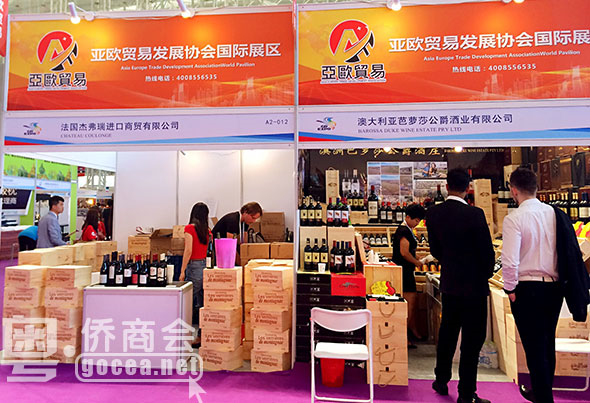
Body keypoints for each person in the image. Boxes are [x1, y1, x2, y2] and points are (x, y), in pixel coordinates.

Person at [426, 168, 495, 403]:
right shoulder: (475, 214)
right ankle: (466, 393)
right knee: (471, 342)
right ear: (468, 188)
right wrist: (485, 274)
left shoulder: (434, 213)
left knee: (447, 333)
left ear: (447, 186)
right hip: (474, 286)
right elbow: (487, 252)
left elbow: (435, 250)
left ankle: (441, 379)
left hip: (450, 283)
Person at [502, 167, 565, 403]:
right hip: (554, 287)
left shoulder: (514, 218)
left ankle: (543, 397)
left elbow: (510, 261)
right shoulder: (554, 214)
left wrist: (510, 288)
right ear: (537, 188)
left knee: (534, 346)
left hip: (527, 288)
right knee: (547, 342)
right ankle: (542, 391)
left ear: (514, 190)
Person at [391, 203, 426, 348]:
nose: (417, 223)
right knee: (408, 303)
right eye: (416, 220)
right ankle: (403, 336)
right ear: (408, 217)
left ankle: (412, 331)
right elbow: (404, 253)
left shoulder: (408, 230)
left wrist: (418, 257)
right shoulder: (404, 231)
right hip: (404, 271)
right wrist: (417, 262)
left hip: (406, 270)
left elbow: (409, 251)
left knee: (412, 302)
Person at [179, 202, 211, 344]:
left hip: (194, 267)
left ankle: (182, 337)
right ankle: (201, 336)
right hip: (205, 266)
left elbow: (188, 251)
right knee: (203, 304)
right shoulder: (207, 231)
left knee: (186, 303)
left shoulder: (189, 228)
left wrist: (182, 270)